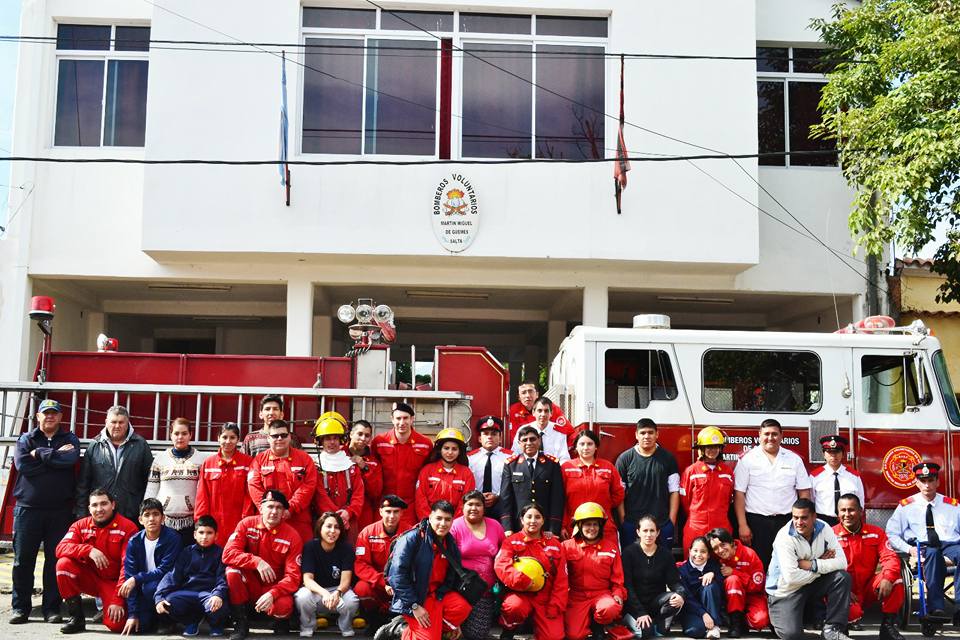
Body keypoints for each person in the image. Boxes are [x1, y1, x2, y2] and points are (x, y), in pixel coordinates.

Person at [10, 398, 80, 625]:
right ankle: (20, 609)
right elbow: (24, 466)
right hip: (27, 510)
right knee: (23, 561)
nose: (50, 417)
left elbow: (68, 461)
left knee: (54, 560)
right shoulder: (25, 439)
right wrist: (52, 455)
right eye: (45, 413)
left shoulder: (69, 439)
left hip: (59, 510)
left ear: (60, 417)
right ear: (37, 417)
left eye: (54, 413)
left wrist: (38, 454)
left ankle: (52, 609)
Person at [379, 500, 472, 640]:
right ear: (430, 517)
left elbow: (453, 576)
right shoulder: (411, 539)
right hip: (416, 597)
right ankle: (399, 630)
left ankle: (420, 630)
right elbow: (396, 576)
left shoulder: (450, 542)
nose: (443, 523)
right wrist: (414, 606)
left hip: (437, 595)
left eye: (447, 519)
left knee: (462, 607)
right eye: (439, 518)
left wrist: (454, 624)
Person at [222, 490, 304, 640]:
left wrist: (273, 593)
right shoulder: (246, 524)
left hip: (273, 587)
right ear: (261, 508)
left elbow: (293, 577)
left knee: (284, 605)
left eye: (279, 508)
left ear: (284, 512)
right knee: (232, 572)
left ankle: (279, 621)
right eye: (270, 506)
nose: (274, 511)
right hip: (250, 584)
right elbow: (228, 554)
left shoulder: (292, 536)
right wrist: (256, 561)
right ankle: (241, 622)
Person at [766, 498, 852, 640]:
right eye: (795, 517)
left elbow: (842, 563)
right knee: (791, 635)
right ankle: (778, 621)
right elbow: (791, 578)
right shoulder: (784, 538)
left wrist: (812, 565)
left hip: (809, 582)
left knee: (842, 577)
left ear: (814, 517)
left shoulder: (824, 528)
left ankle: (832, 629)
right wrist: (820, 567)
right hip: (786, 590)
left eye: (804, 518)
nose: (799, 522)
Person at [55, 488, 139, 634]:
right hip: (90, 579)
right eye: (94, 505)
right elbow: (60, 548)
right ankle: (76, 618)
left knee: (117, 626)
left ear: (113, 505)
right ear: (89, 508)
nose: (99, 509)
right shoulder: (80, 525)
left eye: (104, 504)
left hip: (113, 583)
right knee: (63, 564)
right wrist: (88, 550)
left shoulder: (128, 527)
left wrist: (117, 600)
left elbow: (128, 566)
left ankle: (106, 610)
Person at [885, 461, 960, 621]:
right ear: (916, 482)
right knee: (932, 555)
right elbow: (892, 533)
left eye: (931, 480)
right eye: (923, 481)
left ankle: (959, 606)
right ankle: (936, 608)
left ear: (937, 482)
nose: (927, 485)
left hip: (950, 545)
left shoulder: (952, 505)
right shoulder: (906, 506)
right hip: (924, 547)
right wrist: (909, 549)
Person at [733, 418, 811, 569]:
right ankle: (761, 593)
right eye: (766, 434)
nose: (770, 438)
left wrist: (802, 522)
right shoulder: (747, 460)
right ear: (759, 435)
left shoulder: (794, 460)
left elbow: (804, 493)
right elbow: (739, 494)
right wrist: (742, 525)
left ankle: (784, 593)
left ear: (781, 436)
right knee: (758, 565)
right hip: (756, 522)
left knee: (787, 564)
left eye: (775, 434)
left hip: (787, 522)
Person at [833, 494, 904, 640]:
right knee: (853, 612)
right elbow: (825, 569)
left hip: (867, 588)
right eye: (843, 510)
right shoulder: (829, 535)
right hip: (842, 590)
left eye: (851, 510)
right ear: (838, 512)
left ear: (861, 511)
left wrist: (887, 578)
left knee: (896, 579)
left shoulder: (876, 533)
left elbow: (890, 557)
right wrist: (842, 589)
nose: (847, 514)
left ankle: (887, 627)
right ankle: (840, 627)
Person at [495, 502, 568, 640]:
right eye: (529, 517)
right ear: (522, 520)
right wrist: (524, 581)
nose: (533, 521)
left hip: (546, 597)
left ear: (543, 520)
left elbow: (562, 579)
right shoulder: (511, 541)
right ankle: (509, 628)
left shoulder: (555, 545)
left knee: (554, 636)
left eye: (537, 517)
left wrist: (555, 604)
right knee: (514, 607)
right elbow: (502, 566)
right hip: (520, 593)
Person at [75, 405, 154, 523]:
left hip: (131, 513)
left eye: (121, 422)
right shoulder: (95, 445)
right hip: (101, 513)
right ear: (106, 422)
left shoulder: (141, 445)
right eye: (113, 422)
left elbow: (150, 482)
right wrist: (81, 514)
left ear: (128, 423)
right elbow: (83, 483)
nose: (117, 426)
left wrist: (146, 511)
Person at [154, 515, 228, 638]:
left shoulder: (220, 553)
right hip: (188, 593)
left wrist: (218, 594)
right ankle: (191, 622)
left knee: (218, 605)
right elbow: (172, 576)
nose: (204, 536)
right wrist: (159, 597)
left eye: (209, 533)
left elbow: (222, 578)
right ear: (194, 534)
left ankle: (216, 625)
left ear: (216, 535)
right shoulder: (186, 552)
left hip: (209, 594)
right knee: (169, 601)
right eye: (201, 532)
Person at [247, 419, 318, 544]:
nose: (279, 438)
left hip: (298, 519)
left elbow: (309, 486)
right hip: (269, 521)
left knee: (299, 559)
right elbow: (254, 487)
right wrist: (269, 510)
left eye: (284, 435)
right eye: (275, 436)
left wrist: (290, 509)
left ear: (289, 437)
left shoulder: (304, 459)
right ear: (268, 438)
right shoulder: (258, 461)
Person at [561, 502, 626, 640]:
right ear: (579, 526)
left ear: (601, 526)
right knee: (574, 635)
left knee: (610, 608)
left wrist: (618, 594)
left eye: (595, 524)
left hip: (601, 594)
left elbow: (618, 578)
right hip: (576, 596)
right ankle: (587, 620)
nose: (592, 528)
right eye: (587, 524)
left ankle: (598, 625)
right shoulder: (566, 547)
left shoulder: (611, 547)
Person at [119, 498, 183, 635]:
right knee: (139, 626)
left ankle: (166, 621)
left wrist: (136, 578)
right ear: (140, 520)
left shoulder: (173, 538)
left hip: (168, 585)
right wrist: (132, 614)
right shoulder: (134, 541)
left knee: (150, 587)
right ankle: (150, 615)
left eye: (155, 514)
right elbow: (129, 577)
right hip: (144, 587)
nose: (151, 519)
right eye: (147, 515)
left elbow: (165, 570)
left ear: (163, 518)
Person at [615, 418, 680, 547]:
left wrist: (671, 522)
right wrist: (623, 521)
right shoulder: (624, 459)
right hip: (632, 525)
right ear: (636, 435)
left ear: (657, 434)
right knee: (631, 565)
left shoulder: (668, 458)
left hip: (661, 524)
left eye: (650, 432)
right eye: (643, 433)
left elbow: (674, 491)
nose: (647, 436)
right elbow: (619, 493)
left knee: (660, 565)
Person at [295, 511, 361, 638]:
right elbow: (307, 580)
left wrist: (337, 592)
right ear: (320, 528)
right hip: (316, 591)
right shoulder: (310, 547)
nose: (332, 531)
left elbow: (346, 581)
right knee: (302, 597)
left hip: (338, 591)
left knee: (352, 601)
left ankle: (345, 625)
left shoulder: (346, 548)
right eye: (328, 526)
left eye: (336, 527)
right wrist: (324, 593)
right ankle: (308, 625)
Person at [450, 491, 505, 640]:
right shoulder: (454, 526)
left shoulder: (495, 525)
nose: (474, 508)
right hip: (460, 590)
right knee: (453, 633)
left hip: (487, 592)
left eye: (478, 504)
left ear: (484, 507)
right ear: (463, 506)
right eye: (470, 504)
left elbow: (505, 552)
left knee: (477, 634)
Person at [145, 417, 209, 547]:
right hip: (164, 521)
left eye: (184, 433)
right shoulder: (160, 459)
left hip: (191, 522)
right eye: (176, 433)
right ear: (171, 435)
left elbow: (206, 491)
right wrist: (147, 513)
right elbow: (152, 489)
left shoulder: (202, 459)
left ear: (190, 435)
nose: (180, 437)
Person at [371, 402, 433, 530]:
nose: (402, 422)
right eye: (398, 418)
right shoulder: (379, 442)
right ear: (392, 419)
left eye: (405, 418)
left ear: (412, 419)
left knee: (410, 539)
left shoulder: (425, 444)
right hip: (385, 504)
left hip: (411, 505)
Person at [622, 515, 686, 638]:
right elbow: (627, 586)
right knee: (646, 633)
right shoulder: (628, 553)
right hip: (633, 607)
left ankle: (657, 623)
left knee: (675, 599)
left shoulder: (665, 554)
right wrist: (640, 612)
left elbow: (674, 582)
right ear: (638, 532)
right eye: (645, 531)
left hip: (655, 604)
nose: (649, 534)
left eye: (652, 530)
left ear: (658, 533)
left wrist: (681, 594)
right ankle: (634, 622)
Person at [498, 425, 565, 536]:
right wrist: (507, 527)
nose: (529, 443)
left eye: (532, 439)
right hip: (518, 526)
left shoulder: (552, 464)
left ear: (539, 441)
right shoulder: (511, 465)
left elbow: (557, 498)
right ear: (519, 443)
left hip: (545, 526)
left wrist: (554, 528)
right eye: (525, 440)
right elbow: (506, 499)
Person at [195, 423, 254, 547]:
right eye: (224, 437)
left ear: (238, 439)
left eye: (232, 437)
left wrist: (246, 519)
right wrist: (201, 521)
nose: (228, 441)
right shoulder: (209, 463)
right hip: (214, 522)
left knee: (235, 553)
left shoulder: (248, 462)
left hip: (238, 521)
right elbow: (202, 495)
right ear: (218, 438)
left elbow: (250, 494)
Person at [705, 527, 769, 637]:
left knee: (760, 621)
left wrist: (735, 572)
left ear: (731, 542)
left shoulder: (749, 554)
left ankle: (740, 622)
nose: (720, 550)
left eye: (723, 545)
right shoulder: (716, 559)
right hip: (730, 599)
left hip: (753, 596)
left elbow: (758, 586)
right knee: (732, 580)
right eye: (715, 548)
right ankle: (735, 624)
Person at [562, 430, 624, 540]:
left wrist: (604, 505)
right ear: (576, 447)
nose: (586, 448)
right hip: (574, 524)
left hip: (603, 524)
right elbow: (560, 499)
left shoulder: (608, 467)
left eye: (590, 444)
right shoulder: (566, 468)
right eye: (582, 444)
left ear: (596, 447)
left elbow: (618, 493)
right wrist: (562, 525)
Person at [355, 496, 408, 624]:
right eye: (388, 511)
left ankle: (402, 619)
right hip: (377, 584)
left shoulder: (410, 533)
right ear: (380, 512)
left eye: (396, 511)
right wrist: (382, 582)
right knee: (361, 588)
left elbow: (415, 565)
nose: (392, 516)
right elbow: (361, 564)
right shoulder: (367, 533)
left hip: (401, 585)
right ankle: (374, 619)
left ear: (402, 513)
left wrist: (397, 583)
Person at [312, 412, 365, 535]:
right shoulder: (315, 466)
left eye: (335, 438)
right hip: (324, 523)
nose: (332, 442)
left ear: (341, 439)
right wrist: (335, 518)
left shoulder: (351, 466)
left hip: (349, 522)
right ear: (320, 441)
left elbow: (358, 495)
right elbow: (319, 497)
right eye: (327, 438)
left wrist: (348, 513)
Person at [680, 426, 734, 548]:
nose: (713, 450)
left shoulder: (727, 472)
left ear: (721, 448)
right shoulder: (691, 472)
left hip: (721, 526)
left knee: (721, 563)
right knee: (695, 562)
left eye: (716, 447)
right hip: (696, 527)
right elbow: (685, 501)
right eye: (709, 447)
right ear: (702, 449)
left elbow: (730, 499)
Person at [415, 428, 475, 520]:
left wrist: (454, 523)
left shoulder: (466, 473)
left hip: (455, 524)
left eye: (454, 449)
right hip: (430, 522)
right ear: (440, 450)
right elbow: (420, 499)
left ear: (460, 452)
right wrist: (429, 521)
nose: (450, 452)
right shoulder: (427, 471)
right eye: (446, 448)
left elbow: (466, 502)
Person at [809, 435, 864, 527]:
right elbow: (811, 502)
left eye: (837, 452)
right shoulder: (815, 476)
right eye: (829, 452)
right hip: (823, 521)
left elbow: (860, 503)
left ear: (843, 453)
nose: (833, 456)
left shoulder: (854, 476)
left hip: (848, 520)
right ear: (824, 454)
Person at [677, 537, 724, 639]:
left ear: (708, 555)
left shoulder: (714, 567)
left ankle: (714, 626)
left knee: (710, 586)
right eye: (695, 551)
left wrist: (713, 574)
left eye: (703, 552)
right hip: (692, 610)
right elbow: (687, 597)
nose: (698, 555)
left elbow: (722, 588)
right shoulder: (682, 571)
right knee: (695, 631)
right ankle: (705, 625)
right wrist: (703, 614)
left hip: (712, 609)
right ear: (689, 551)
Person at [466, 416, 512, 522]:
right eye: (486, 434)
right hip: (476, 505)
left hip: (502, 505)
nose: (490, 437)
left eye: (494, 434)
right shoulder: (470, 458)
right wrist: (478, 496)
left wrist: (497, 496)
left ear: (500, 438)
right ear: (479, 438)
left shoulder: (510, 457)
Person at [346, 419, 384, 530]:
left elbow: (376, 493)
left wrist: (365, 468)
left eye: (367, 435)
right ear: (351, 434)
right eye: (360, 434)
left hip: (364, 512)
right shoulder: (340, 453)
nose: (363, 439)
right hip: (341, 509)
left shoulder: (374, 461)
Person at [510, 397, 570, 462]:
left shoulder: (559, 431)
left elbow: (564, 458)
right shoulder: (523, 430)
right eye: (539, 411)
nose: (543, 414)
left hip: (552, 470)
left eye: (546, 411)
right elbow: (515, 454)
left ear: (551, 413)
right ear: (533, 412)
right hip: (528, 468)